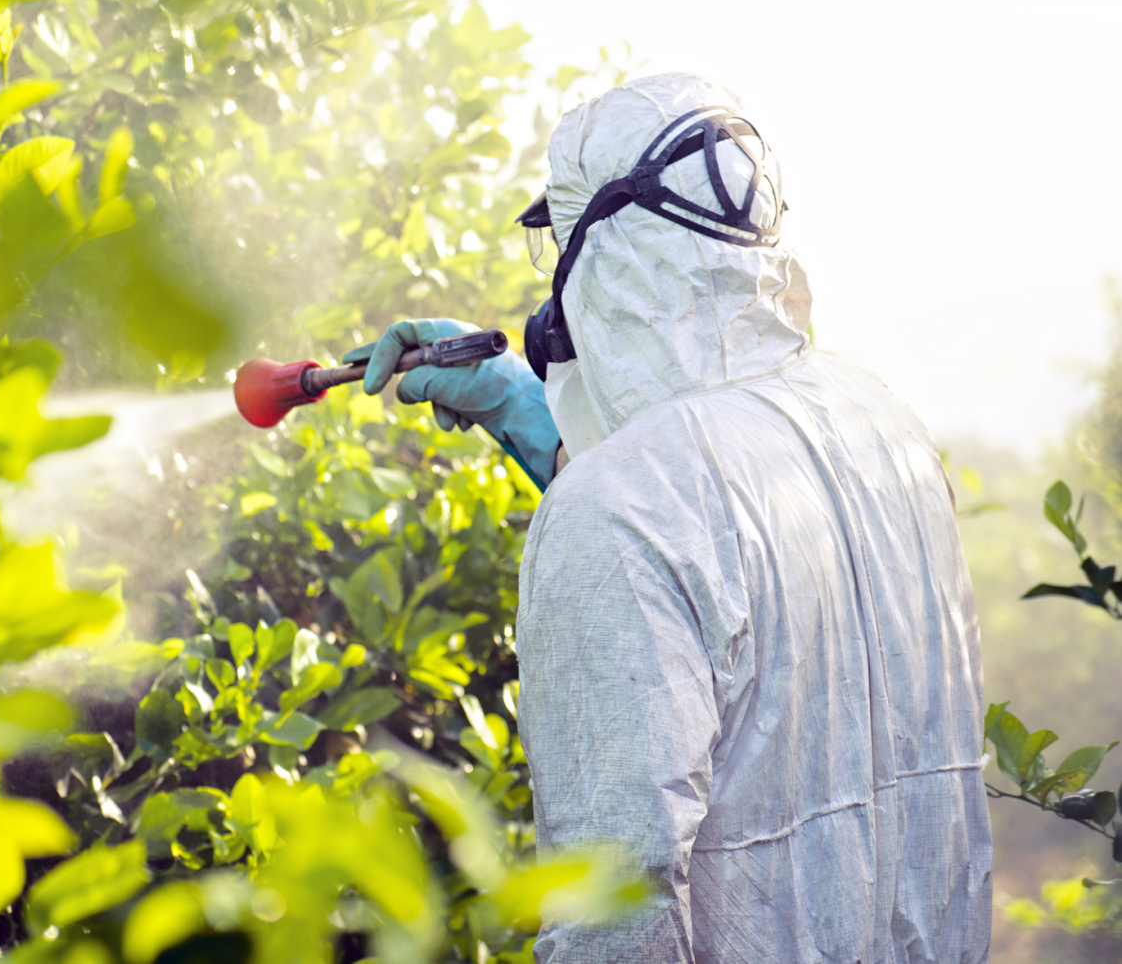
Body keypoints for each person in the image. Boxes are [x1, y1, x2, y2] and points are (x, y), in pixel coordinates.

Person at [352, 72, 992, 963]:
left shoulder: (615, 516)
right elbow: (723, 547)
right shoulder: (881, 426)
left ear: (606, 257)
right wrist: (524, 409)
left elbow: (615, 909)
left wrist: (577, 477)